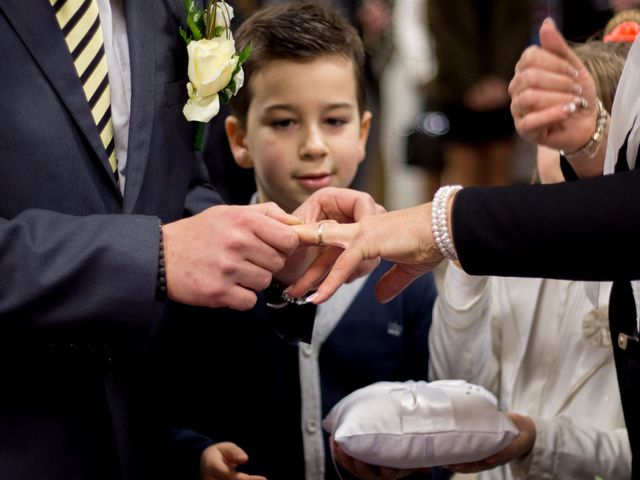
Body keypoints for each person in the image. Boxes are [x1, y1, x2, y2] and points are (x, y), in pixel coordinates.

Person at [0, 1, 383, 479]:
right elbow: (161, 245)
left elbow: (174, 182)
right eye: (285, 122)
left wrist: (275, 249)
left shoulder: (173, 8)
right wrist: (152, 256)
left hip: (142, 440)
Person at [288, 18, 640, 478]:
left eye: (604, 138)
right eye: (550, 130)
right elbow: (460, 381)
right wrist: (466, 264)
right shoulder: (509, 254)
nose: (562, 151)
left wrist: (538, 440)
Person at [163, 3, 444, 480]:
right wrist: (196, 456)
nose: (314, 144)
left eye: (334, 121)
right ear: (239, 139)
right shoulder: (208, 270)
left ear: (363, 133)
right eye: (284, 122)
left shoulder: (406, 278)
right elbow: (165, 410)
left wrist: (410, 463)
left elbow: (438, 425)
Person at [424, 0, 532, 188]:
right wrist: (469, 84)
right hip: (458, 90)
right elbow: (441, 28)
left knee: (500, 180)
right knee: (464, 181)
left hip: (504, 90)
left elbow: (520, 24)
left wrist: (501, 80)